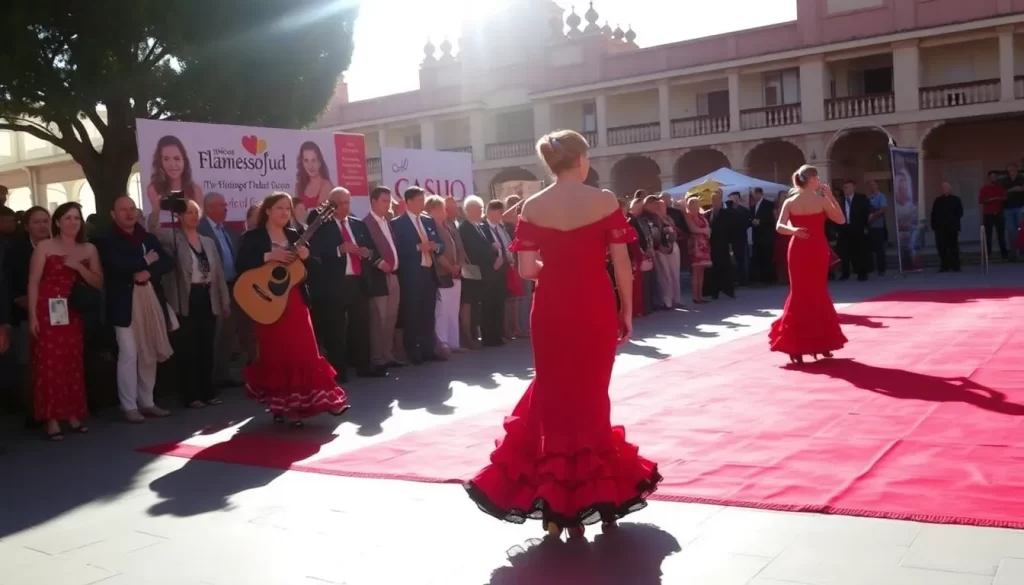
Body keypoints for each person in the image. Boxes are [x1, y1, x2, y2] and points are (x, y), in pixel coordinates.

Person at [463, 130, 660, 540]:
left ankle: (556, 509)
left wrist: (556, 266)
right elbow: (622, 264)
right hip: (593, 304)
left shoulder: (533, 206)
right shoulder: (604, 200)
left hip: (551, 308)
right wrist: (626, 309)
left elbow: (525, 270)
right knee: (591, 395)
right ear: (582, 159)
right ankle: (599, 498)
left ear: (550, 164)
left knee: (554, 396)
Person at [234, 192, 348, 426]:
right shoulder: (254, 237)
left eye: (288, 209)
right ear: (267, 210)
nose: (285, 213)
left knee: (306, 351)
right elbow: (241, 264)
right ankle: (282, 407)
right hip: (266, 303)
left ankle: (327, 401)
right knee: (276, 355)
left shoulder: (295, 235)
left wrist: (307, 257)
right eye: (279, 208)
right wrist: (269, 256)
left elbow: (314, 272)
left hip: (295, 302)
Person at [146, 195, 232, 408]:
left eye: (196, 212)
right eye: (188, 212)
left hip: (207, 296)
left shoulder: (208, 242)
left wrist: (225, 301)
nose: (193, 216)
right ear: (179, 216)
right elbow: (153, 230)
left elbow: (218, 273)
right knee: (188, 346)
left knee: (206, 344)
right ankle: (191, 394)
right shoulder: (173, 237)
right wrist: (157, 208)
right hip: (186, 298)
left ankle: (207, 391)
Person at [27, 202, 103, 440]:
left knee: (72, 363)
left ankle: (72, 414)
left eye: (77, 218)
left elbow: (99, 282)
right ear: (57, 222)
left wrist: (79, 267)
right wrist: (32, 316)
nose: (72, 222)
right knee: (49, 365)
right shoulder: (44, 247)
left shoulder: (88, 249)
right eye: (67, 218)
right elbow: (34, 282)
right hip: (46, 310)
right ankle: (52, 419)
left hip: (71, 310)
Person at [97, 195, 174, 423]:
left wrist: (149, 271)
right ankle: (129, 405)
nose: (130, 213)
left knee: (148, 351)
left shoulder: (147, 237)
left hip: (149, 299)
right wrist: (145, 261)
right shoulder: (105, 240)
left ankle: (147, 402)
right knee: (129, 353)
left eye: (133, 209)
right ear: (113, 214)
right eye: (123, 210)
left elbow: (167, 261)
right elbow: (115, 265)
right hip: (123, 303)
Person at [769, 165, 848, 364]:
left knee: (799, 293)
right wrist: (830, 196)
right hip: (816, 249)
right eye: (817, 176)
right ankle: (823, 342)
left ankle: (796, 345)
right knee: (818, 292)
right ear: (811, 179)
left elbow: (779, 226)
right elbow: (841, 219)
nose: (819, 179)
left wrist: (793, 231)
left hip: (797, 249)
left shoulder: (790, 201)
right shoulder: (821, 200)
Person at [306, 187, 386, 382]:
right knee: (336, 329)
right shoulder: (322, 224)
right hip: (334, 283)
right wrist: (338, 250)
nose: (344, 207)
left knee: (361, 326)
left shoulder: (358, 225)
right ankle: (338, 372)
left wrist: (366, 253)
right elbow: (313, 250)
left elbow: (371, 250)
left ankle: (364, 367)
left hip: (358, 282)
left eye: (347, 202)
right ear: (331, 204)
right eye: (339, 203)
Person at [391, 187, 446, 363]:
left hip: (429, 273)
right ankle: (413, 351)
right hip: (411, 275)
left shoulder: (428, 220)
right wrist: (417, 247)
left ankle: (428, 349)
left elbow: (441, 244)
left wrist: (435, 247)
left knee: (428, 313)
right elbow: (397, 249)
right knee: (412, 313)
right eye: (419, 200)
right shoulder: (398, 223)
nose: (423, 203)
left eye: (423, 199)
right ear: (408, 202)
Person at [425, 195, 465, 355]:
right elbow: (437, 254)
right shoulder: (431, 228)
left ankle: (454, 342)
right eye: (442, 208)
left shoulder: (449, 226)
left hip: (456, 273)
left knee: (453, 309)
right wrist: (449, 267)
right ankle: (443, 343)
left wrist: (459, 265)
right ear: (433, 210)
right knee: (442, 310)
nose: (445, 211)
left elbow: (460, 248)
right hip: (442, 273)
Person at [146, 135, 203, 205]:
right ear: (160, 162)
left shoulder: (195, 190)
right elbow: (156, 215)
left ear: (184, 161)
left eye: (177, 158)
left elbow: (199, 215)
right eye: (166, 159)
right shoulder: (154, 190)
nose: (172, 165)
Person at [836, 180, 871, 281]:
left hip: (858, 228)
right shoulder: (840, 200)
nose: (846, 189)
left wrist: (865, 227)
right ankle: (845, 273)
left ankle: (862, 273)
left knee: (859, 252)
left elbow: (866, 213)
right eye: (845, 187)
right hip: (844, 229)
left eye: (848, 187)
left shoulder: (861, 198)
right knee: (844, 253)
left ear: (853, 188)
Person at [683, 196, 711, 304]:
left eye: (697, 204)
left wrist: (706, 232)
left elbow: (708, 228)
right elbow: (692, 229)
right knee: (696, 271)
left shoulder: (701, 216)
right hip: (695, 245)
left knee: (702, 270)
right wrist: (704, 231)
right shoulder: (688, 216)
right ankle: (695, 296)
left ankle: (700, 295)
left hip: (704, 244)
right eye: (694, 204)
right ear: (689, 206)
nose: (696, 207)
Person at [930, 182, 964, 273]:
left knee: (953, 247)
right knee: (942, 247)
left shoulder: (956, 200)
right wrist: (933, 225)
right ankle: (944, 265)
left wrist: (952, 220)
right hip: (940, 228)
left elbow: (960, 213)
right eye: (943, 188)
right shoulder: (938, 200)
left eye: (946, 187)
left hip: (952, 227)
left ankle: (955, 265)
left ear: (950, 189)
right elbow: (933, 214)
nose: (944, 189)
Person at [979, 171, 1009, 261]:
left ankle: (1004, 254)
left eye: (995, 176)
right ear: (989, 178)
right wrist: (992, 200)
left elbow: (1005, 198)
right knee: (988, 235)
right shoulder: (984, 188)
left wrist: (997, 198)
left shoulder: (1000, 188)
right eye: (991, 177)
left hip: (999, 214)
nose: (993, 178)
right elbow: (981, 200)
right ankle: (988, 255)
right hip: (988, 215)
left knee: (1001, 235)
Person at [294, 141, 334, 209]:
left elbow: (319, 216)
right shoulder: (299, 186)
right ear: (302, 163)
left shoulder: (326, 186)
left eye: (313, 160)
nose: (310, 166)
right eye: (306, 160)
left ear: (320, 161)